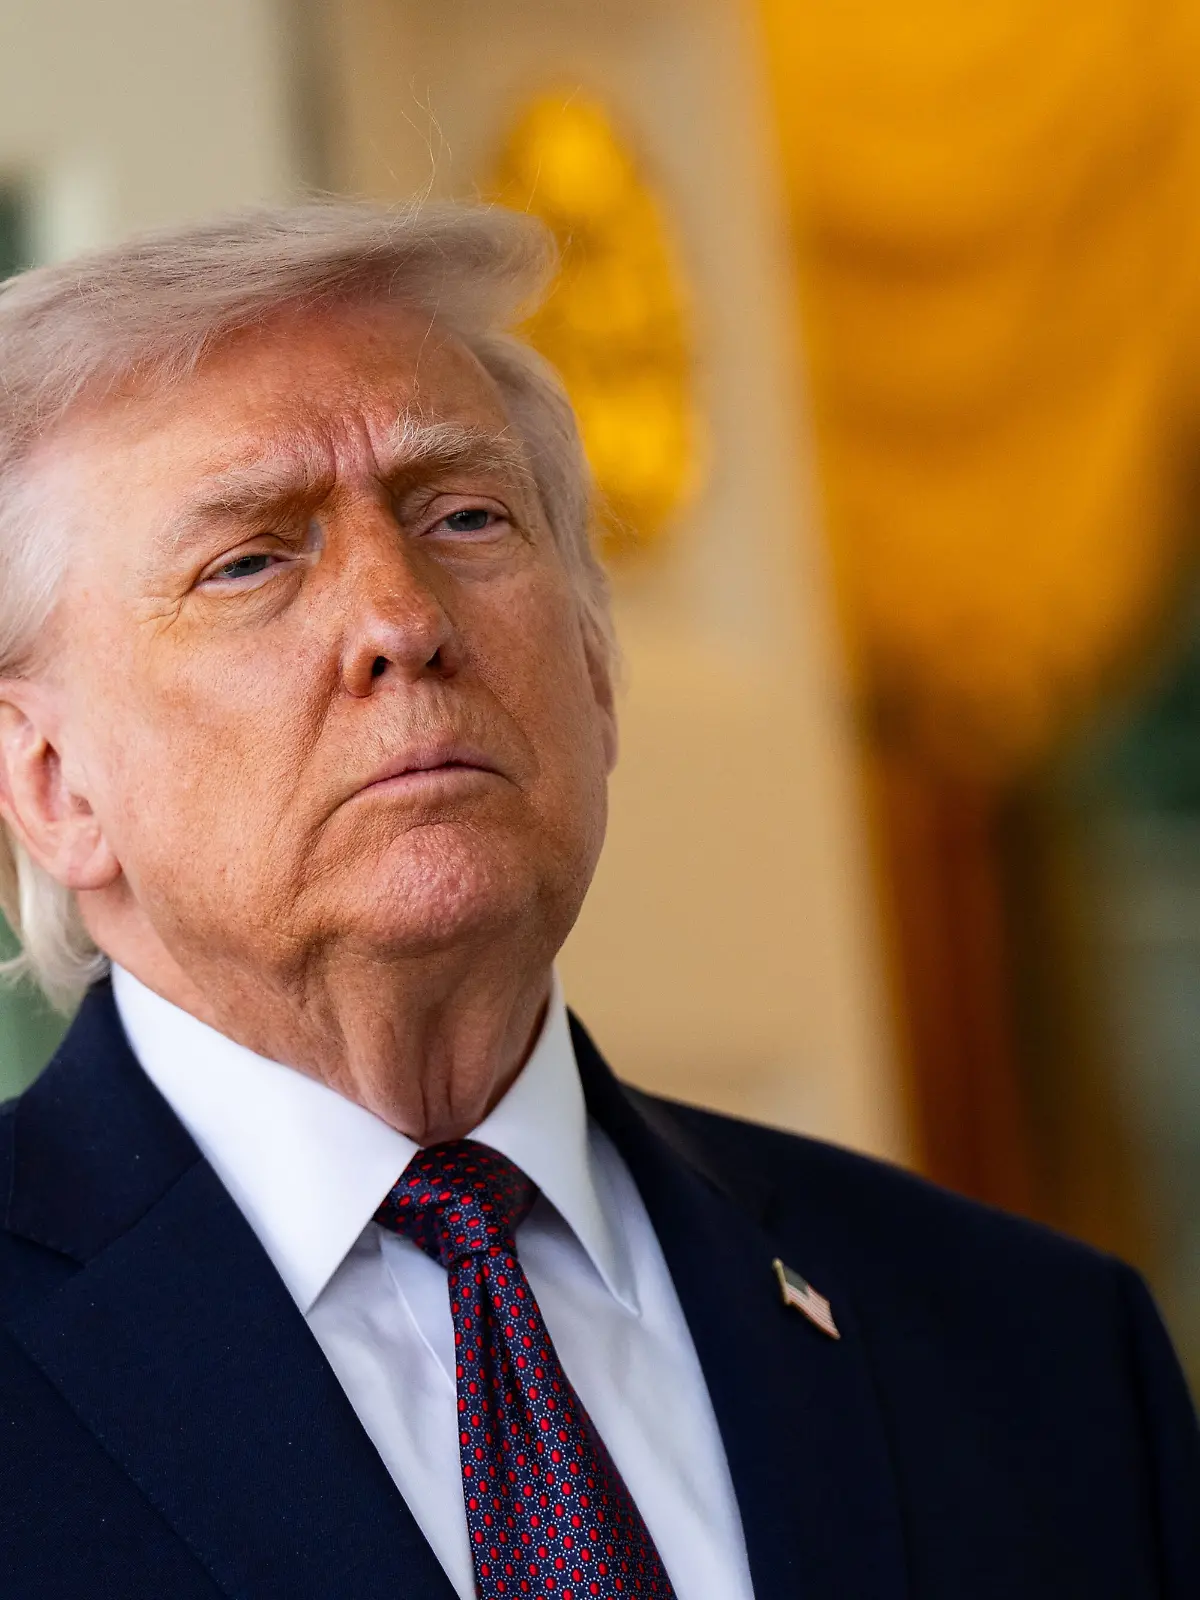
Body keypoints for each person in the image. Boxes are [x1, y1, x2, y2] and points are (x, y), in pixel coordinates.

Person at [0, 202, 1195, 1600]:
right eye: (252, 560)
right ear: (52, 784)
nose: (403, 620)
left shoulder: (1043, 1353)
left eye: (465, 516)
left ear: (596, 669)